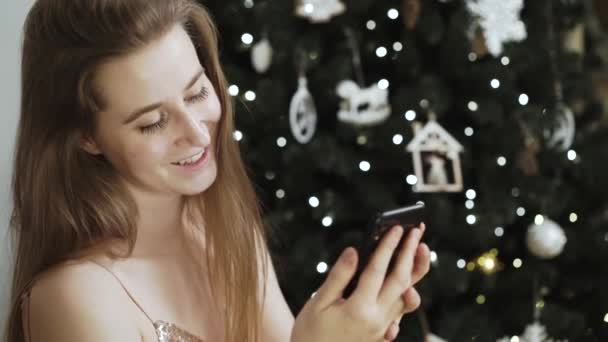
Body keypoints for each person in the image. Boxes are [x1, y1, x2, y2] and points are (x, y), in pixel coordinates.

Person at [4, 0, 431, 341]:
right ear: (86, 137)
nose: (196, 133)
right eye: (152, 121)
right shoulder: (73, 299)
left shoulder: (227, 229)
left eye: (197, 93)